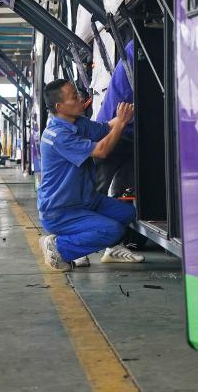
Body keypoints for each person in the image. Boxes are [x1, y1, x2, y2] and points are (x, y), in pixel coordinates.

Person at [37, 79, 144, 270]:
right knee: (112, 230)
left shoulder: (78, 123)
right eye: (74, 97)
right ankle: (58, 248)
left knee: (128, 213)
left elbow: (107, 127)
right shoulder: (58, 135)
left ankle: (111, 251)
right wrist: (121, 122)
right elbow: (101, 151)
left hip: (86, 200)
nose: (81, 99)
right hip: (61, 210)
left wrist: (129, 113)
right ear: (59, 107)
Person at [92, 41, 135, 197]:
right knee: (96, 192)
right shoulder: (134, 51)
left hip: (125, 129)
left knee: (122, 189)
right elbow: (101, 151)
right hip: (116, 132)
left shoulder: (132, 50)